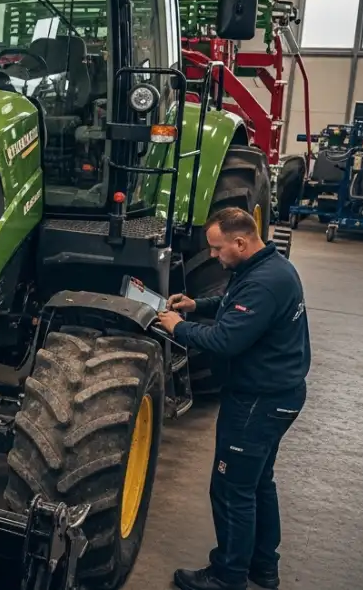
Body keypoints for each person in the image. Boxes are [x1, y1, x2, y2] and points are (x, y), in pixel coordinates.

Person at [157, 207, 310, 590]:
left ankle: (228, 576)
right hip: (278, 394)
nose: (213, 255)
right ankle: (263, 567)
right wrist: (196, 306)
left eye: (216, 248)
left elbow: (226, 341)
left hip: (258, 401)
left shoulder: (264, 282)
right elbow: (233, 306)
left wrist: (181, 328)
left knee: (231, 489)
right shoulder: (264, 267)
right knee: (258, 483)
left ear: (240, 242)